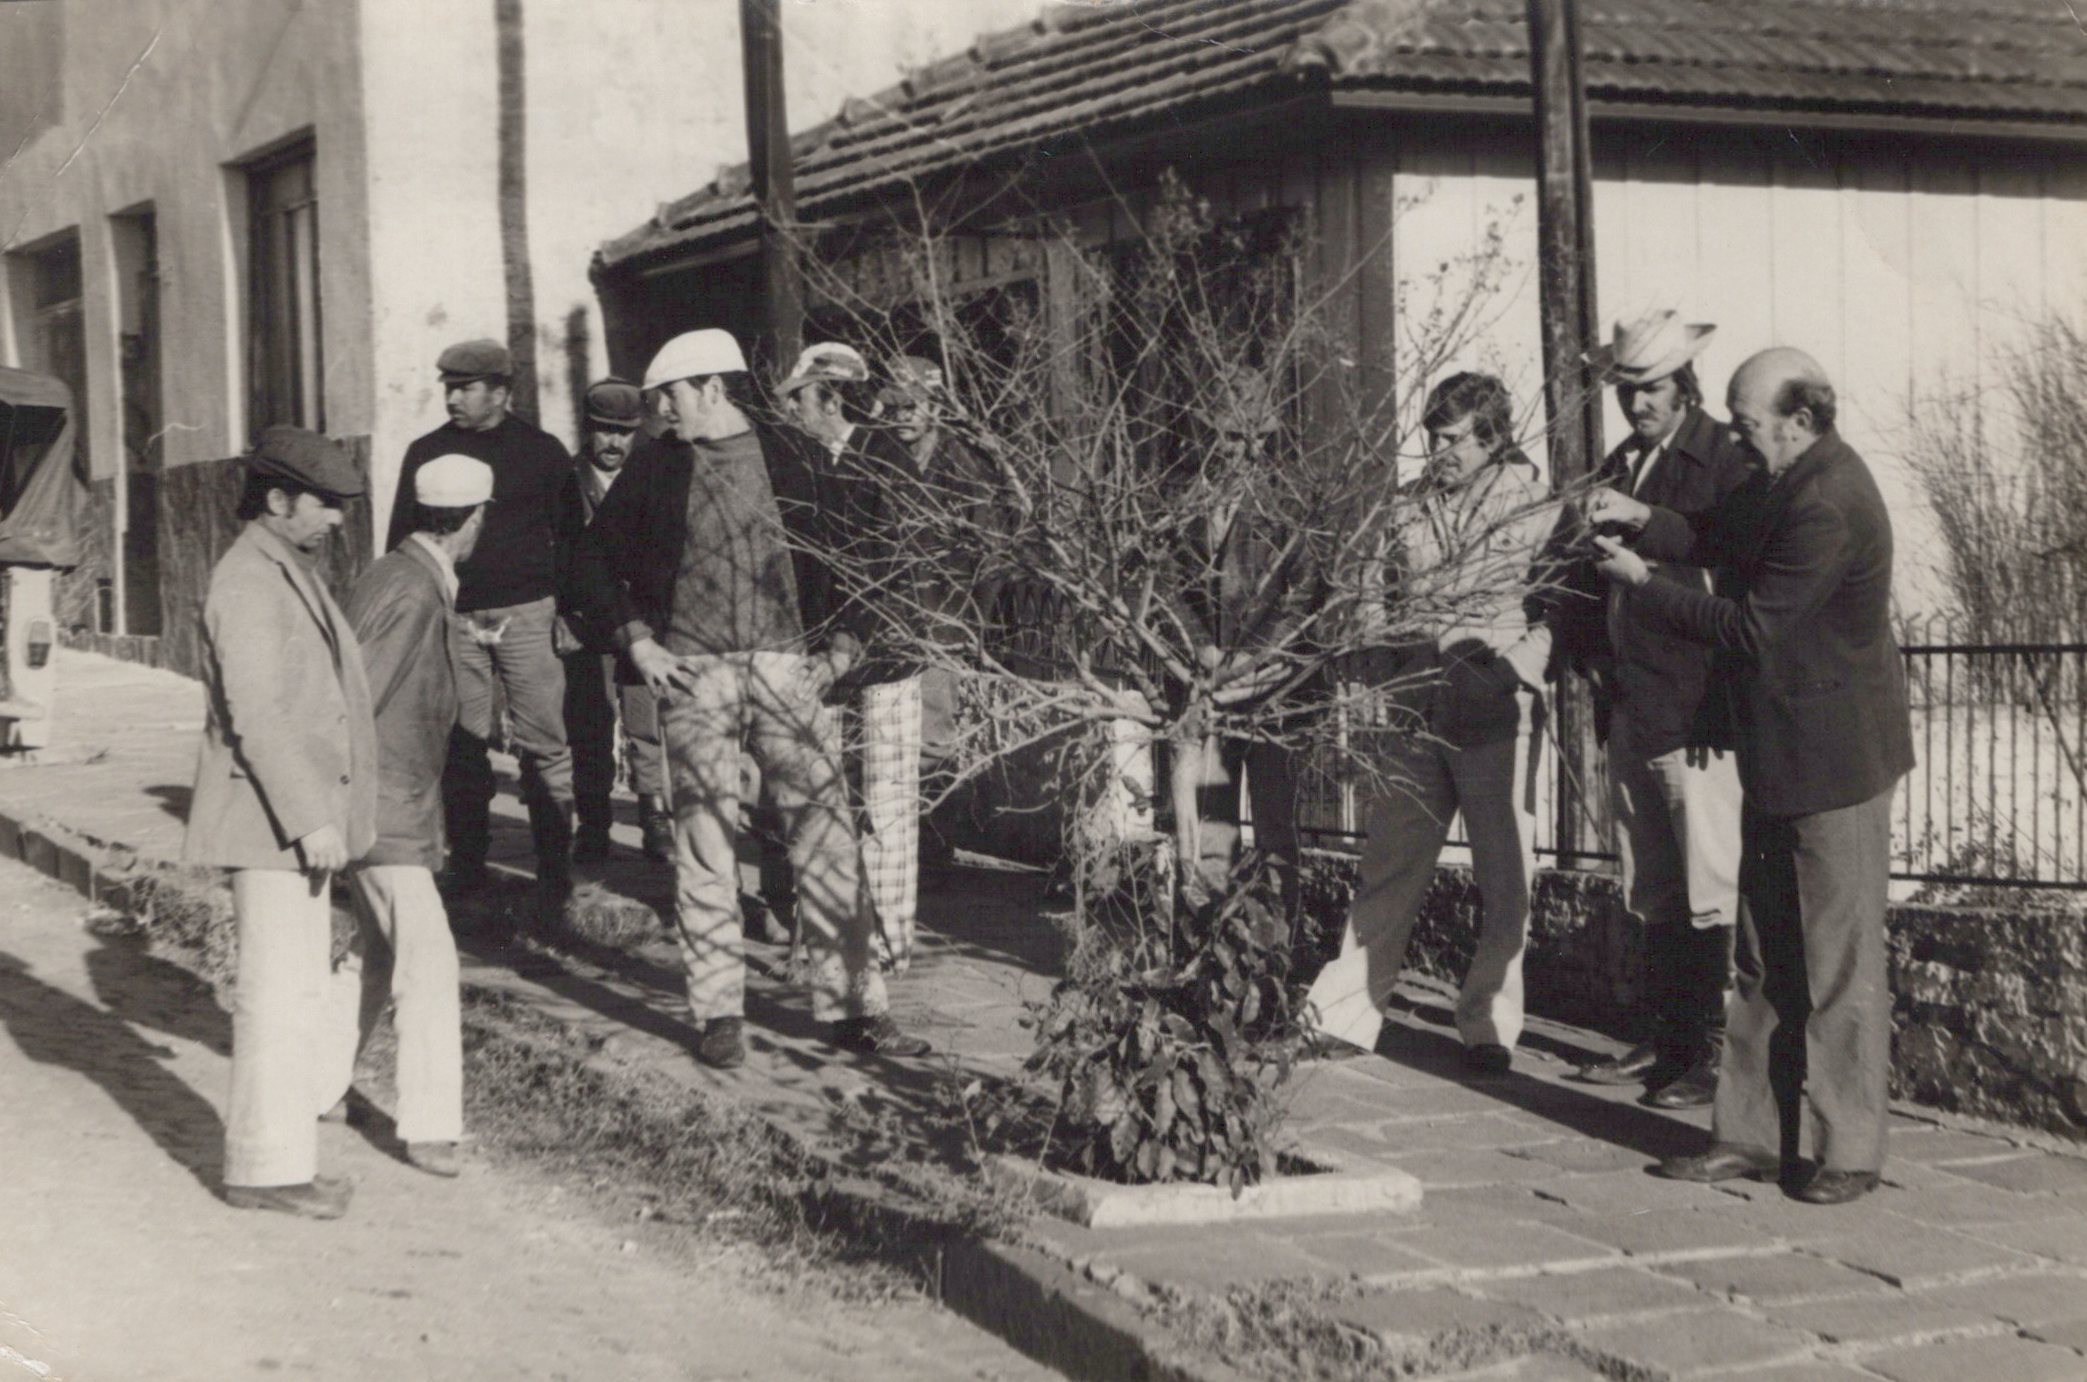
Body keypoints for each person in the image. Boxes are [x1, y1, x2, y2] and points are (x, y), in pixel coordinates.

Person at [1592, 347, 1913, 1205]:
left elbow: (1747, 629)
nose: (1734, 441)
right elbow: (1711, 532)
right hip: (1775, 752)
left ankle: (1848, 1151)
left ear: (1798, 422)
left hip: (1836, 764)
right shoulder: (1779, 479)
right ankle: (1747, 1138)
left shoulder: (1827, 503)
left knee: (1837, 968)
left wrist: (1642, 583)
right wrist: (1641, 515)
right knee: (1760, 962)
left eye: (1745, 426)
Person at [567, 329, 929, 1068]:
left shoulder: (792, 456)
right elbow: (589, 557)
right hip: (693, 675)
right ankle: (719, 1014)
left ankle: (856, 1010)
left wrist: (842, 648)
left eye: (670, 397)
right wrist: (638, 641)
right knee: (704, 845)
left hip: (785, 669)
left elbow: (861, 550)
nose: (662, 413)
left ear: (711, 388)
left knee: (826, 838)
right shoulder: (655, 465)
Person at [1302, 372, 1554, 1074]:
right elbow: (1374, 596)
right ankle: (1344, 1015)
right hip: (1416, 713)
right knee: (1388, 865)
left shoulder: (1535, 507)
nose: (1437, 452)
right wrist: (1377, 669)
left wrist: (1515, 671)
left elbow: (1561, 609)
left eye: (1452, 440)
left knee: (1504, 879)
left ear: (1492, 437)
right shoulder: (1406, 507)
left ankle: (1489, 1025)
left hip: (1495, 717)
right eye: (1431, 438)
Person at [1557, 311, 1750, 1109]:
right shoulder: (1622, 463)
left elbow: (1731, 555)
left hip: (1698, 713)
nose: (1636, 403)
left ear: (1683, 386)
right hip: (1632, 705)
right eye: (1626, 390)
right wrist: (1589, 660)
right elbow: (1582, 573)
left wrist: (1644, 527)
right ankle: (1667, 1039)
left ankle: (1720, 1054)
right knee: (1655, 886)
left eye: (1650, 388)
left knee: (1713, 884)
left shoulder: (1723, 460)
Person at [183, 427, 378, 1220]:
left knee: (293, 993)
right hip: (269, 823)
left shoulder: (282, 569)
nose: (336, 519)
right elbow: (257, 715)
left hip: (288, 823)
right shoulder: (247, 581)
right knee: (273, 997)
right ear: (276, 500)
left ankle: (283, 1161)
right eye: (324, 504)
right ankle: (263, 1172)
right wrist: (310, 821)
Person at [333, 455, 491, 1180]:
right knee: (428, 961)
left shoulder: (396, 573)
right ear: (472, 520)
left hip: (387, 803)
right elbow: (357, 698)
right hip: (384, 805)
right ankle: (430, 1127)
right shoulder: (414, 592)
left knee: (373, 954)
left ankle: (313, 1083)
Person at [387, 338, 574, 906]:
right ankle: (467, 867)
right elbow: (402, 539)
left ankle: (555, 875)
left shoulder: (542, 452)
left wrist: (570, 613)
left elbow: (571, 538)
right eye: (448, 388)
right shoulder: (426, 453)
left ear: (500, 391)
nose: (452, 399)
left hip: (528, 613)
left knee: (545, 745)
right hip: (456, 617)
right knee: (461, 745)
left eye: (465, 388)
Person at [777, 342, 923, 972]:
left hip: (887, 657)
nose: (792, 410)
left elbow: (889, 569)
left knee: (886, 804)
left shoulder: (888, 463)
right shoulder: (809, 463)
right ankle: (829, 932)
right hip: (826, 660)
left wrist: (846, 644)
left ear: (832, 399)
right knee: (823, 798)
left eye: (801, 399)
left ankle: (888, 945)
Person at [1171, 365, 1317, 922]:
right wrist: (1202, 648)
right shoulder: (1185, 499)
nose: (1242, 450)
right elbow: (1166, 585)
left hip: (1275, 691)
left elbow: (1306, 596)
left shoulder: (1289, 502)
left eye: (1255, 438)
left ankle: (1276, 949)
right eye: (1230, 436)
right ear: (1208, 433)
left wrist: (1257, 659)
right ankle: (1212, 944)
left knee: (1276, 830)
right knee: (1211, 829)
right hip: (1209, 686)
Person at [872, 355, 1002, 871]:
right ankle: (890, 849)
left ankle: (930, 850)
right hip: (888, 622)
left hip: (943, 624)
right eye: (895, 405)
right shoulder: (880, 461)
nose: (902, 415)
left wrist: (970, 627)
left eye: (913, 405)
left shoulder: (966, 468)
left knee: (933, 742)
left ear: (937, 407)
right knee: (883, 740)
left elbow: (990, 556)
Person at [558, 378, 669, 863]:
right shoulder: (565, 482)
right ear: (587, 429)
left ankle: (654, 817)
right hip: (587, 623)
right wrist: (564, 614)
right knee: (590, 724)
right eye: (604, 430)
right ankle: (594, 822)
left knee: (646, 724)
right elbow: (558, 555)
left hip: (640, 622)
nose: (613, 442)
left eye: (624, 433)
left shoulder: (650, 476)